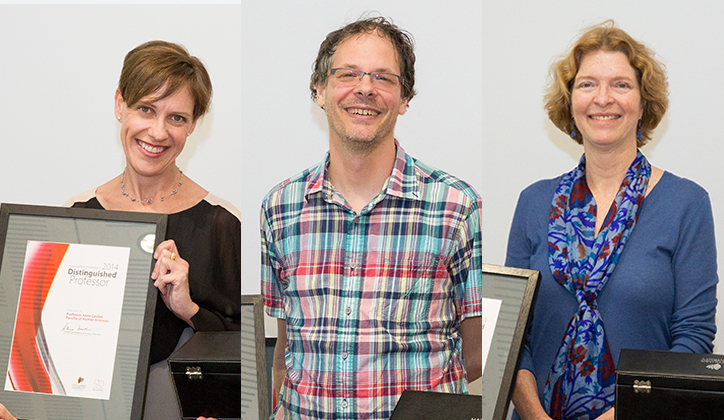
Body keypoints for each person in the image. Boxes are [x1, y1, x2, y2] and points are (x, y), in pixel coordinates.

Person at [260, 16, 482, 420]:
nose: (365, 88)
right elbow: (286, 349)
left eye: (383, 77)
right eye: (348, 74)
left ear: (404, 98)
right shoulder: (280, 207)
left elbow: (477, 353)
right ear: (320, 89)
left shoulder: (457, 207)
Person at [505, 21, 717, 420]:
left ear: (643, 102)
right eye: (587, 85)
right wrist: (534, 415)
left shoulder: (687, 203)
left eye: (621, 85)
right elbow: (513, 337)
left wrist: (626, 413)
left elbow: (694, 336)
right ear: (570, 102)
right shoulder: (533, 202)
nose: (603, 98)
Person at [64, 40, 241, 419]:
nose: (158, 132)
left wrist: (188, 308)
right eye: (146, 109)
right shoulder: (75, 216)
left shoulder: (223, 224)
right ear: (119, 104)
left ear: (193, 125)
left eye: (176, 117)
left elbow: (241, 350)